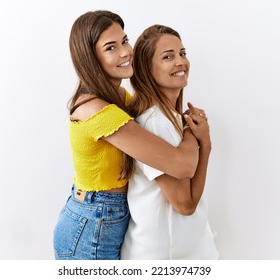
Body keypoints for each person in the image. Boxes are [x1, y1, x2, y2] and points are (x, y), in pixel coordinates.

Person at [53, 11, 202, 260]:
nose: (125, 52)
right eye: (111, 47)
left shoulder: (119, 98)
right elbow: (182, 166)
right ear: (91, 59)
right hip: (92, 222)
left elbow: (148, 116)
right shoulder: (97, 111)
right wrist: (193, 133)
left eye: (125, 40)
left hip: (107, 218)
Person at [121, 24, 219, 259]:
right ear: (147, 69)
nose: (181, 62)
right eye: (168, 56)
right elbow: (185, 205)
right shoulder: (154, 122)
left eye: (182, 53)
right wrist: (204, 144)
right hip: (166, 258)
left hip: (186, 252)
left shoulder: (170, 119)